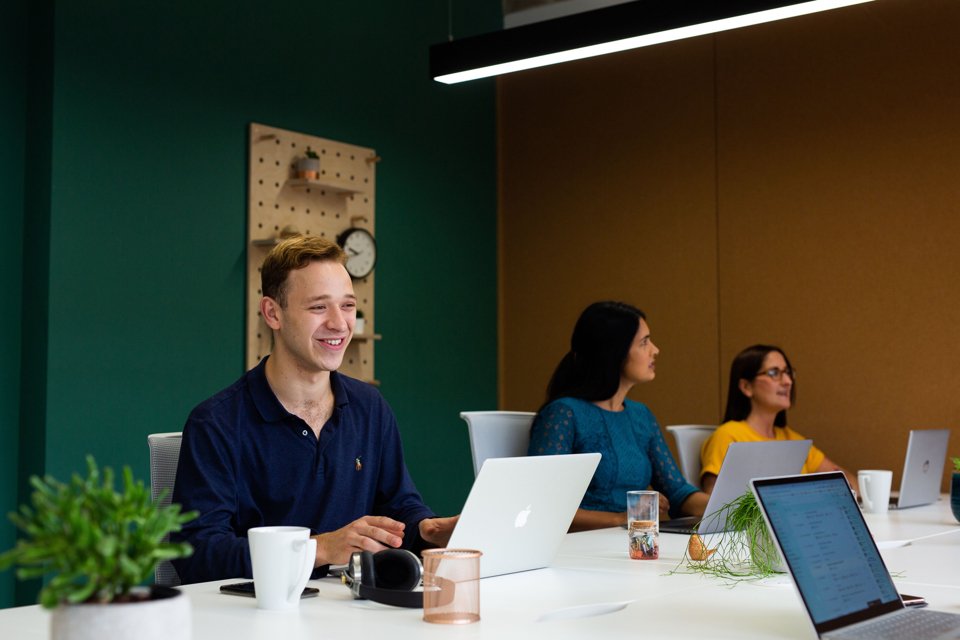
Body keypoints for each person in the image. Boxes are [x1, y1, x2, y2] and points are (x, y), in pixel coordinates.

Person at [171, 235, 456, 584]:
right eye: (319, 307)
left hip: (350, 616)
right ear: (273, 313)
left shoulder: (371, 409)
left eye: (348, 306)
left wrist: (428, 529)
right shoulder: (215, 424)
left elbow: (398, 508)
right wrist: (317, 549)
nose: (339, 323)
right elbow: (197, 554)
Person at [527, 301, 709, 532]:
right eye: (644, 342)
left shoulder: (641, 415)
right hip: (580, 547)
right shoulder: (564, 413)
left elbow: (677, 492)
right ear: (615, 352)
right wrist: (620, 519)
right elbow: (542, 505)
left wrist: (733, 506)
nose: (655, 350)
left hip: (632, 542)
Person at [700, 344, 855, 493]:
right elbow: (714, 504)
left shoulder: (793, 440)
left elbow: (846, 481)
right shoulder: (729, 435)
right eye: (774, 373)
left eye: (788, 372)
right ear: (746, 386)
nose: (788, 381)